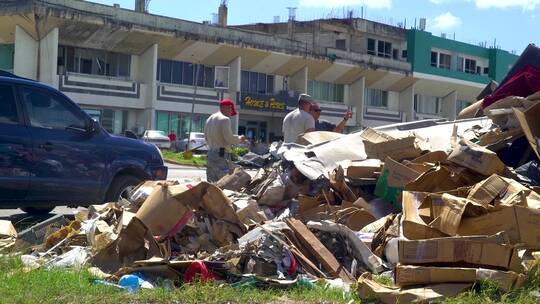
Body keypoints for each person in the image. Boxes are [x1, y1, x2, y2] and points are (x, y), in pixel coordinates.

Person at [204, 99, 246, 182]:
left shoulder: (209, 119)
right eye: (231, 110)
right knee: (223, 182)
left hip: (210, 153)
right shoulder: (225, 119)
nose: (231, 113)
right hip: (221, 155)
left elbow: (206, 137)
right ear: (227, 107)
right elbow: (229, 138)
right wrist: (240, 138)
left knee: (211, 183)